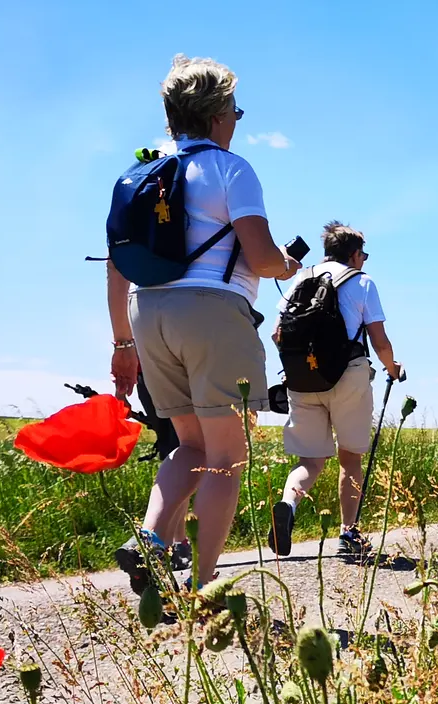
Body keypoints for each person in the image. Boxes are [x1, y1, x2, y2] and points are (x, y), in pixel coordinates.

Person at [107, 54, 301, 594]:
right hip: (214, 310)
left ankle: (150, 539)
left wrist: (124, 341)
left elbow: (118, 266)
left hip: (148, 313)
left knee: (188, 446)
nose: (238, 121)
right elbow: (261, 258)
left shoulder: (143, 172)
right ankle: (203, 583)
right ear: (217, 113)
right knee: (226, 458)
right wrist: (288, 264)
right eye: (236, 111)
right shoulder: (230, 169)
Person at [267, 222, 403, 558]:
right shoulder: (362, 282)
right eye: (363, 254)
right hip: (348, 375)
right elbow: (379, 341)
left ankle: (288, 505)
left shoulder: (301, 280)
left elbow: (276, 334)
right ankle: (348, 534)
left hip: (301, 379)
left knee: (310, 460)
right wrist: (393, 369)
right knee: (350, 457)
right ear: (355, 253)